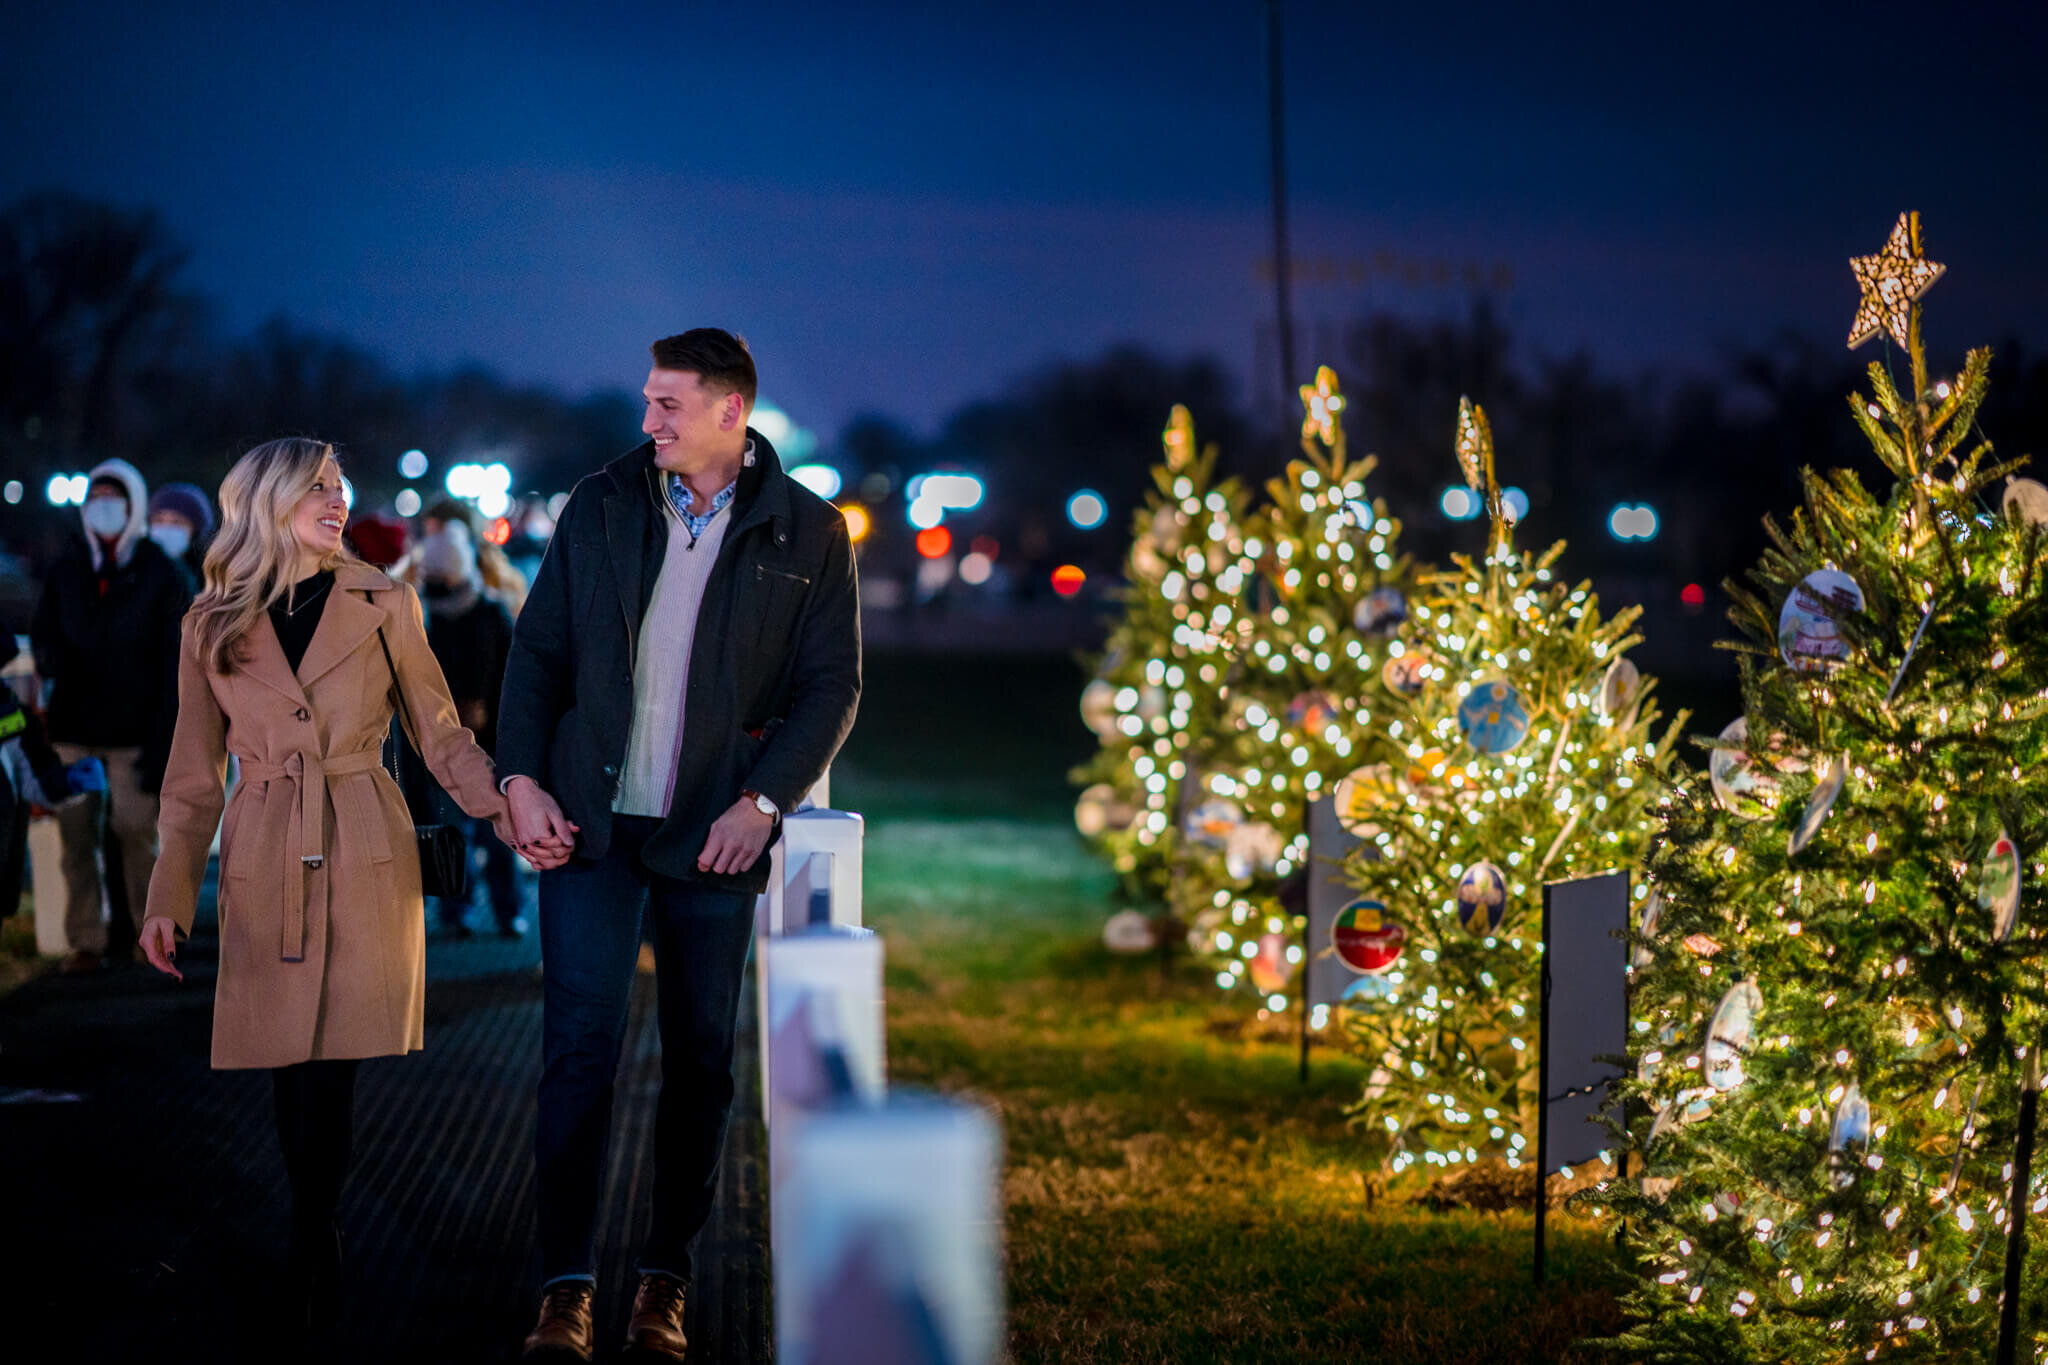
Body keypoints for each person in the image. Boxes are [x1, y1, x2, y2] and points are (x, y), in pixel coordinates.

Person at [497, 329, 860, 1363]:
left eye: (666, 404)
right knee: (577, 1052)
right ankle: (562, 1289)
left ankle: (665, 1281)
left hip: (714, 836)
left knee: (700, 1061)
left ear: (728, 412)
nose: (647, 421)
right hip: (589, 829)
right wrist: (519, 780)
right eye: (647, 402)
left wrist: (762, 802)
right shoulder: (601, 502)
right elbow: (538, 652)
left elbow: (830, 688)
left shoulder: (808, 532)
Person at [137, 438, 542, 1333]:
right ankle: (313, 1217)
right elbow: (194, 775)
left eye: (339, 485)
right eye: (317, 486)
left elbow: (439, 734)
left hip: (362, 832)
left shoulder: (385, 600)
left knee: (337, 1059)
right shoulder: (209, 620)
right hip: (267, 840)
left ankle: (315, 1228)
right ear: (267, 499)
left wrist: (505, 806)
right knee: (287, 1051)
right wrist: (168, 896)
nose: (336, 498)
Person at [31, 457, 192, 972]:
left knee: (136, 835)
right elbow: (44, 631)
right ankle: (87, 940)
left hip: (134, 731)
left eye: (113, 497)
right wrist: (50, 658)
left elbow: (175, 664)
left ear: (133, 505)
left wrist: (164, 740)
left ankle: (151, 938)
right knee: (75, 836)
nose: (103, 507)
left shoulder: (161, 572)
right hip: (74, 726)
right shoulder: (68, 566)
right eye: (94, 497)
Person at [412, 520, 524, 937]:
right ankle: (475, 911)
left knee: (491, 836)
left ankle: (488, 910)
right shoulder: (426, 614)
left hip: (483, 740)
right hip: (447, 741)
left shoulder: (469, 614)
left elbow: (511, 679)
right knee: (463, 832)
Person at [147, 480, 215, 593]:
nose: (166, 528)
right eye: (158, 520)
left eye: (177, 522)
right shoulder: (137, 572)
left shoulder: (211, 580)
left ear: (196, 531)